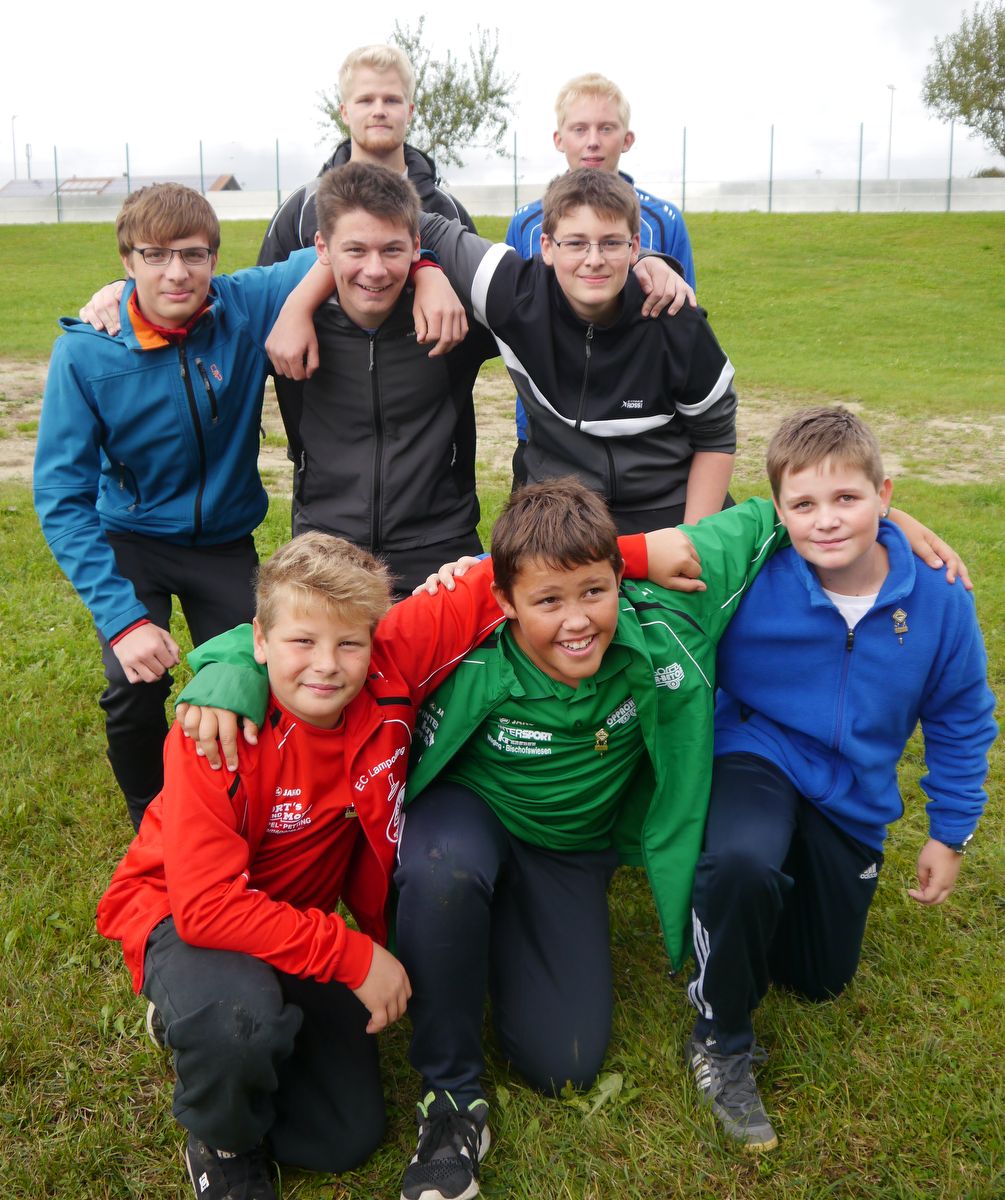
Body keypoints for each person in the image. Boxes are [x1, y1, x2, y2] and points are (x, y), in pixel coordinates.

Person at [176, 481, 965, 1200]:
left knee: (566, 1063)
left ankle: (488, 942)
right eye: (547, 600)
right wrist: (223, 670)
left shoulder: (666, 614)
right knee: (444, 868)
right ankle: (450, 1098)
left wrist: (883, 520)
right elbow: (309, 632)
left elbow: (770, 517)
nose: (576, 619)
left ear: (619, 579)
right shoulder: (458, 622)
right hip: (470, 815)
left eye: (594, 591)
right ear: (504, 601)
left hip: (571, 849)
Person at [94, 531, 515, 1200]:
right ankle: (220, 1138)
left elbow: (527, 568)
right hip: (183, 913)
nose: (326, 665)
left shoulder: (388, 664)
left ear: (374, 641)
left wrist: (648, 553)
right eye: (301, 642)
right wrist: (352, 955)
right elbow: (205, 908)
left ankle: (210, 1022)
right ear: (258, 642)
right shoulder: (215, 731)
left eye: (349, 644)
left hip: (287, 922)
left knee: (343, 1138)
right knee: (237, 1025)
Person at [685, 407, 996, 1153]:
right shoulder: (751, 571)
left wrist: (950, 832)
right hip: (756, 750)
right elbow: (642, 572)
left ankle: (763, 897)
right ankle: (719, 1038)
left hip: (852, 790)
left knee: (819, 979)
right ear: (777, 511)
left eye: (847, 498)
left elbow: (960, 717)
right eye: (803, 504)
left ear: (884, 495)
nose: (825, 520)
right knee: (741, 861)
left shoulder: (939, 599)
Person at [33, 183, 323, 829]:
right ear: (127, 260)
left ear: (214, 259)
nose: (177, 272)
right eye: (155, 255)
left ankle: (248, 807)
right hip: (132, 540)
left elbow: (346, 244)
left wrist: (423, 266)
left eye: (193, 254)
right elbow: (60, 496)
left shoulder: (243, 306)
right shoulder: (86, 352)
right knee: (134, 684)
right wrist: (123, 622)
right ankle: (152, 819)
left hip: (222, 543)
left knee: (258, 675)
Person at [274, 170, 732, 535]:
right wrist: (424, 270)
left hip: (666, 511)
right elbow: (406, 225)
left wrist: (693, 540)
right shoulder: (511, 293)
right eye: (575, 242)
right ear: (546, 247)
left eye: (612, 243)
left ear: (634, 247)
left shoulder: (672, 315)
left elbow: (715, 434)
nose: (593, 258)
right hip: (563, 516)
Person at [257, 42, 478, 484]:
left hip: (432, 474)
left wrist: (426, 267)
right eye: (365, 100)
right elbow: (264, 308)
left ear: (410, 110)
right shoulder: (302, 209)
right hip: (327, 467)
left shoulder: (447, 211)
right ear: (344, 110)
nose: (379, 110)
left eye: (392, 99)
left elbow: (483, 313)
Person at [283, 161, 498, 596]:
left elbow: (548, 294)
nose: (375, 270)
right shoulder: (286, 318)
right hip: (325, 546)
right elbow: (203, 306)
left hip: (441, 543)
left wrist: (640, 261)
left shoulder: (452, 313)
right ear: (322, 247)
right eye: (356, 250)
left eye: (392, 250)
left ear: (417, 245)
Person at [505, 73, 696, 484]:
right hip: (546, 433)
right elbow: (511, 317)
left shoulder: (663, 221)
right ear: (559, 139)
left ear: (627, 139)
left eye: (606, 128)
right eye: (580, 129)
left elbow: (685, 324)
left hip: (639, 432)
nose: (593, 141)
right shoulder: (525, 224)